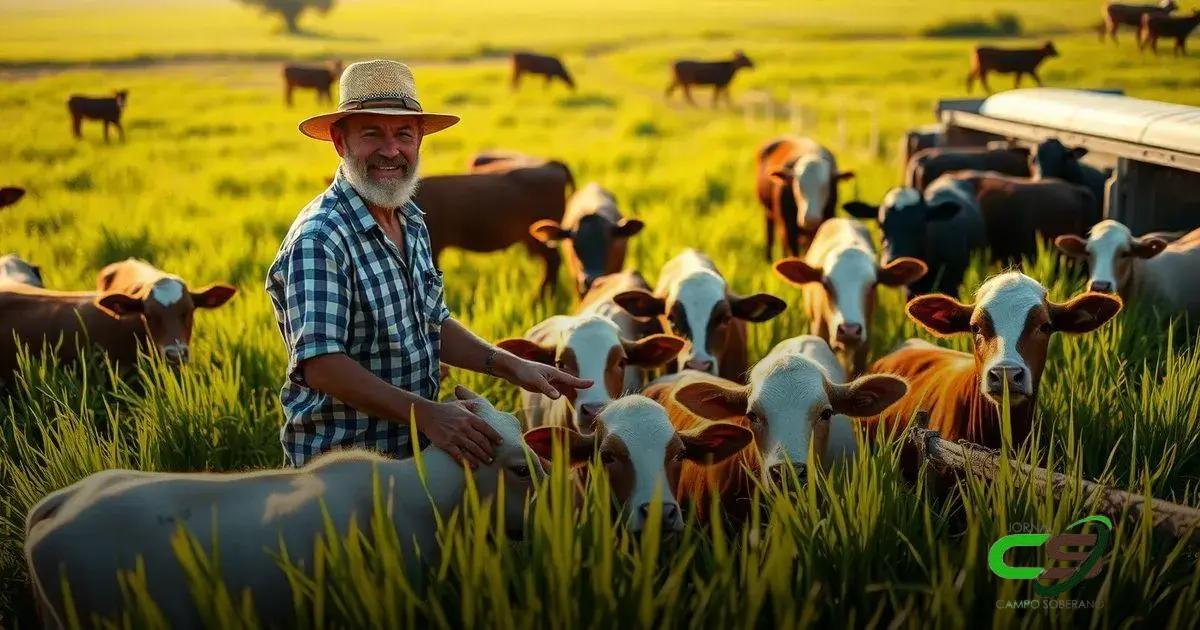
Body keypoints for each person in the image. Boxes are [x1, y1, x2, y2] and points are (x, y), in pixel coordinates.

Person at [266, 59, 590, 468]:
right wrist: (430, 414)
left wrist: (512, 366)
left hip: (416, 452)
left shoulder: (410, 218)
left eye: (403, 133)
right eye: (371, 134)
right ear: (339, 140)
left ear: (419, 139)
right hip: (343, 467)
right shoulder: (320, 238)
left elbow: (431, 322)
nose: (391, 150)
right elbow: (321, 365)